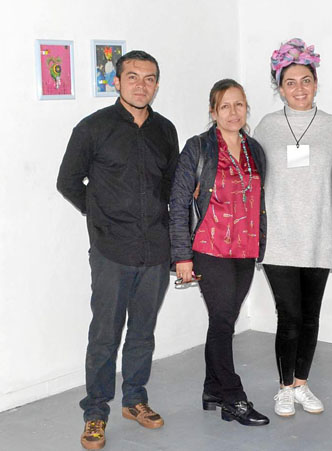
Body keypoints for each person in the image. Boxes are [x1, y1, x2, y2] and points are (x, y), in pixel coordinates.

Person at [57, 50, 178, 450]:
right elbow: (69, 181)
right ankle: (95, 412)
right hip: (112, 251)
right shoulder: (92, 128)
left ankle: (135, 400)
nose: (141, 85)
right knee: (105, 335)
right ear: (118, 81)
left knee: (143, 332)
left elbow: (171, 187)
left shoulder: (166, 130)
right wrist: (102, 218)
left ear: (156, 84)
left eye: (149, 78)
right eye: (133, 76)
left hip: (156, 251)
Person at [253, 38, 332, 417]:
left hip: (320, 235)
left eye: (306, 80)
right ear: (279, 87)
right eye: (290, 82)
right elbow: (253, 176)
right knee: (289, 315)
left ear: (316, 82)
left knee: (310, 315)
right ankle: (283, 387)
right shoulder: (266, 127)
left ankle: (302, 383)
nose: (299, 88)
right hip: (278, 238)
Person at [169, 79, 269, 426]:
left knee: (222, 321)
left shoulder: (254, 148)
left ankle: (213, 388)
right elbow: (179, 202)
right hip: (209, 247)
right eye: (225, 106)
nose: (233, 112)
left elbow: (259, 201)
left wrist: (260, 244)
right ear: (213, 112)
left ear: (247, 108)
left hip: (244, 247)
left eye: (239, 105)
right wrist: (182, 256)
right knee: (225, 321)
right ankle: (234, 398)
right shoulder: (197, 148)